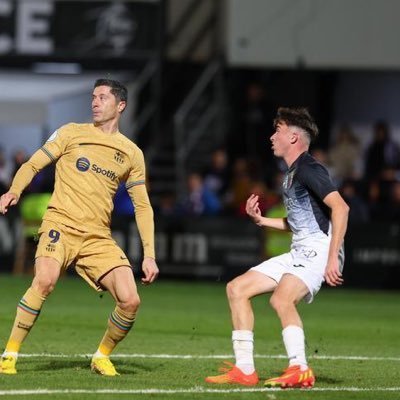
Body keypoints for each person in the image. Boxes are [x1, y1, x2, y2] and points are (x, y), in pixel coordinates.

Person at [0, 78, 159, 376]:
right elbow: (33, 164)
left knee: (130, 299)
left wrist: (149, 254)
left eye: (102, 97)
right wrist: (14, 191)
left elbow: (142, 205)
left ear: (120, 105)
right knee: (45, 280)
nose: (94, 102)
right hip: (60, 224)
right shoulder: (71, 133)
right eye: (93, 97)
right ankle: (9, 354)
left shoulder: (131, 153)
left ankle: (101, 356)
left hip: (97, 236)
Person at [205, 107, 349, 388]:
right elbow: (299, 222)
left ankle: (300, 367)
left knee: (281, 299)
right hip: (301, 249)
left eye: (278, 131)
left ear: (294, 138)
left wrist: (333, 258)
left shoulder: (310, 168)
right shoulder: (292, 174)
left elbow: (341, 208)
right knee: (237, 288)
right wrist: (261, 221)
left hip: (319, 249)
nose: (272, 137)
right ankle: (245, 370)